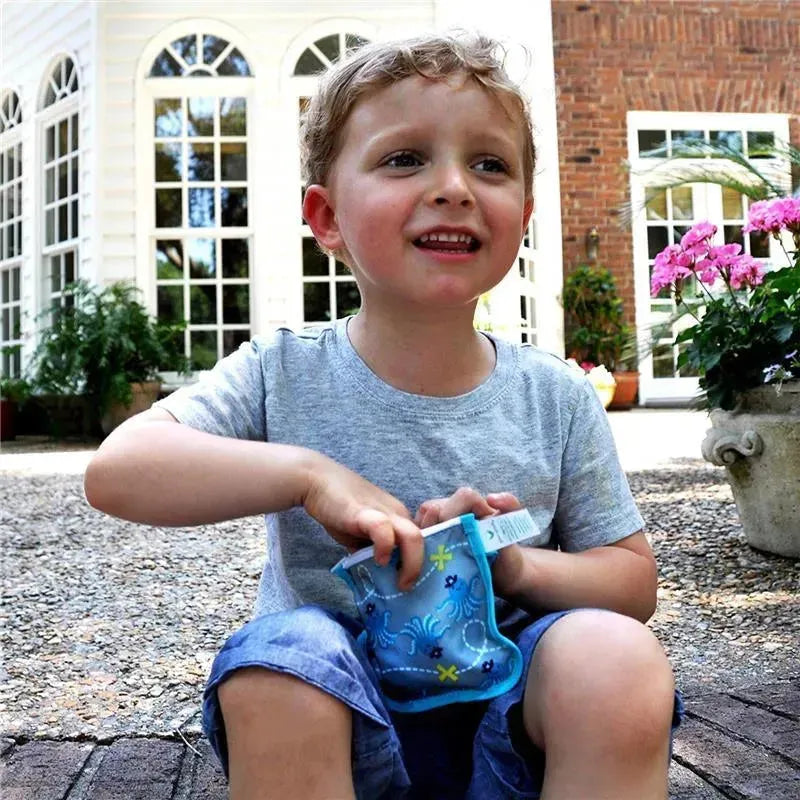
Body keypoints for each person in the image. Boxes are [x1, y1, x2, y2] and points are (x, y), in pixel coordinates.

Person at [85, 32, 681, 800]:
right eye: (404, 159)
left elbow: (632, 582)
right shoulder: (279, 371)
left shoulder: (557, 395)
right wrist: (309, 477)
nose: (455, 187)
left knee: (616, 657)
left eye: (490, 165)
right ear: (326, 216)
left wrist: (512, 566)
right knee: (278, 664)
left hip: (518, 715)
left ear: (524, 215)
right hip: (337, 720)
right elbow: (119, 470)